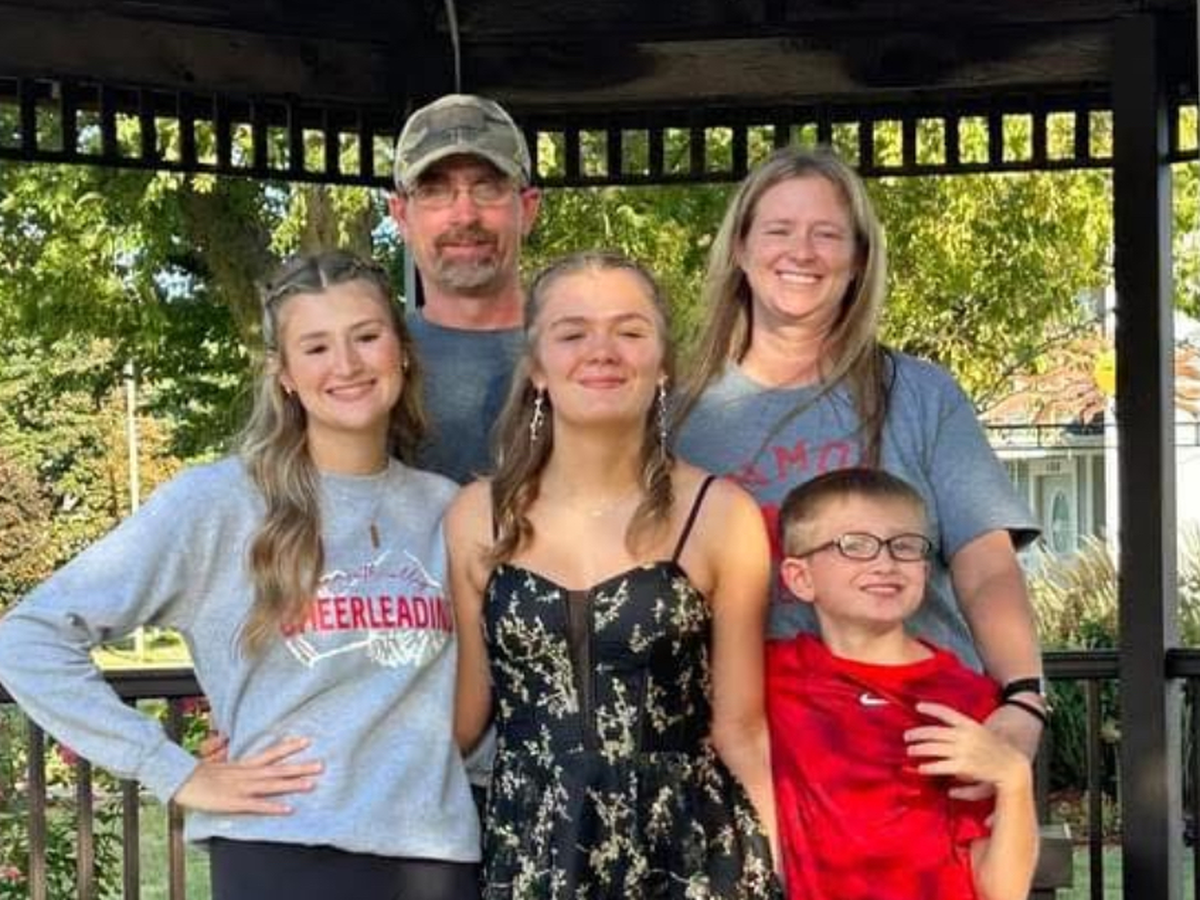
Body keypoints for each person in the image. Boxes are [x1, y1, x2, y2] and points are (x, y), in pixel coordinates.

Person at [0, 251, 480, 900]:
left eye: (366, 336)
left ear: (402, 351)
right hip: (280, 849)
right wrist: (172, 769)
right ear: (284, 375)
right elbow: (27, 637)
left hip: (433, 855)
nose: (346, 364)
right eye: (316, 347)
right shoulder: (219, 504)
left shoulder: (447, 510)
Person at [674, 146, 1048, 763]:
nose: (802, 252)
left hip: (918, 744)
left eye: (826, 234)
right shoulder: (676, 418)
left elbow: (986, 565)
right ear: (740, 248)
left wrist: (1023, 698)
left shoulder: (920, 394)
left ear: (858, 260)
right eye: (779, 230)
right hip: (748, 760)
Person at [446, 251, 781, 898]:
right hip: (533, 850)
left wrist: (783, 871)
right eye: (572, 333)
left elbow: (741, 729)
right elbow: (463, 720)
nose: (602, 351)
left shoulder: (721, 515)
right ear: (536, 367)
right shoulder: (476, 517)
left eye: (629, 331)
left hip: (688, 855)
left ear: (663, 364)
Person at [766, 467, 1038, 900]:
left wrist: (1014, 778)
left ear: (925, 569)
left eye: (905, 546)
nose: (885, 563)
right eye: (854, 545)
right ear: (800, 577)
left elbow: (1003, 891)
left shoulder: (965, 699)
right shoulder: (773, 677)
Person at [388, 92, 542, 485]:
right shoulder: (368, 367)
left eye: (487, 187)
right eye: (434, 190)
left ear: (528, 209)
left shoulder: (589, 356)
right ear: (401, 216)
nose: (464, 215)